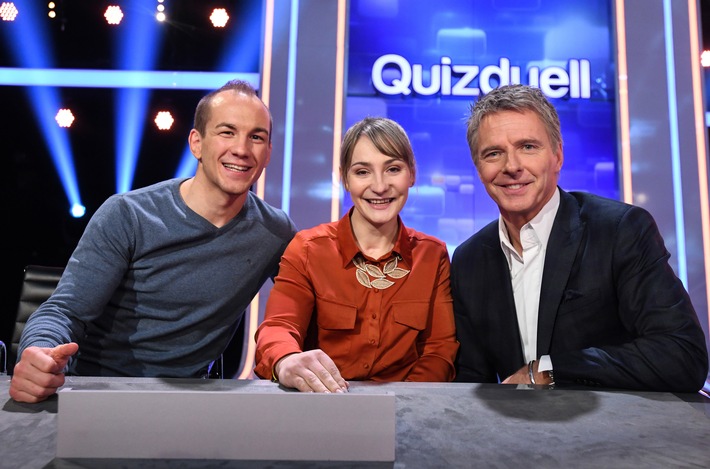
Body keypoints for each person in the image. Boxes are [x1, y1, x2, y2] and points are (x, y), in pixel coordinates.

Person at [10, 79, 297, 403]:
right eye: (227, 132)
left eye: (256, 137)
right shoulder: (128, 214)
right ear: (196, 143)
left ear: (268, 153)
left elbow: (315, 302)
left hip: (188, 403)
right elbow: (64, 311)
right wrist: (39, 354)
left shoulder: (275, 231)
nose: (242, 150)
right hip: (98, 392)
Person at [452, 84, 708, 392]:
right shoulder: (469, 260)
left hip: (614, 422)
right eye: (494, 153)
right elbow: (471, 384)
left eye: (528, 147)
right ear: (478, 168)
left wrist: (549, 371)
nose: (512, 166)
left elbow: (682, 354)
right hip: (512, 423)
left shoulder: (619, 231)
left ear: (558, 156)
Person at [253, 116, 459, 392]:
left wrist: (402, 403)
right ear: (345, 179)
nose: (380, 186)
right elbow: (279, 326)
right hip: (324, 404)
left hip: (407, 409)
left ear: (412, 174)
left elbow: (439, 350)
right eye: (363, 172)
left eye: (393, 169)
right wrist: (286, 359)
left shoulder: (432, 255)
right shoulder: (308, 249)